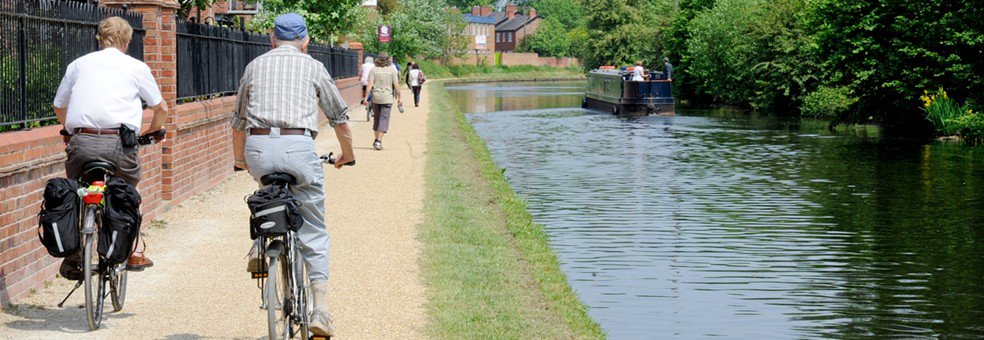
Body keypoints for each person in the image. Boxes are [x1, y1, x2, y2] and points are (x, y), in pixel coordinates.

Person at [231, 13, 354, 337]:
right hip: (298, 146)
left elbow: (239, 120)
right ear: (305, 41)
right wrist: (348, 154)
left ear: (272, 38)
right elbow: (339, 117)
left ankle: (260, 245)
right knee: (313, 225)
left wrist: (239, 159)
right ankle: (320, 309)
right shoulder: (313, 66)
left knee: (268, 193)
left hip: (258, 148)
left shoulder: (255, 65)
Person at [52, 17, 167, 278]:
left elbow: (59, 105)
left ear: (100, 39)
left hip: (81, 142)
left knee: (77, 190)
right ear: (127, 41)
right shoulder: (136, 67)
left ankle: (73, 256)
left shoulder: (78, 65)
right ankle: (131, 250)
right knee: (125, 192)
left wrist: (71, 131)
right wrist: (152, 131)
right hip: (119, 144)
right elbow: (160, 108)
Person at [363, 52, 402, 151]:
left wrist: (366, 97)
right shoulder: (392, 70)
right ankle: (378, 141)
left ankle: (376, 139)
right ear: (388, 60)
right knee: (384, 119)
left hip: (375, 98)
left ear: (378, 59)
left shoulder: (373, 70)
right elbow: (396, 85)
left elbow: (370, 84)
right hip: (387, 98)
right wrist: (399, 98)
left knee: (377, 119)